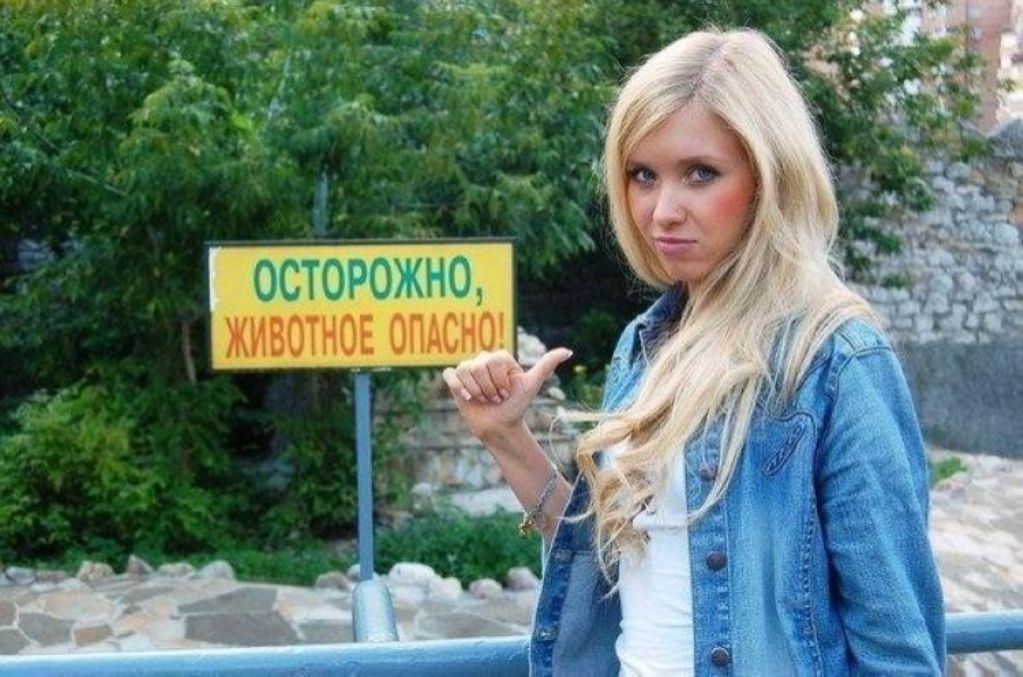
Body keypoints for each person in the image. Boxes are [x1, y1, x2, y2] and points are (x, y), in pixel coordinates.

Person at [442, 28, 945, 676]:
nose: (662, 211)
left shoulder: (834, 362)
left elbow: (899, 649)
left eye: (699, 173)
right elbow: (621, 559)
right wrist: (506, 437)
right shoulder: (645, 345)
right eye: (642, 176)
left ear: (769, 176)